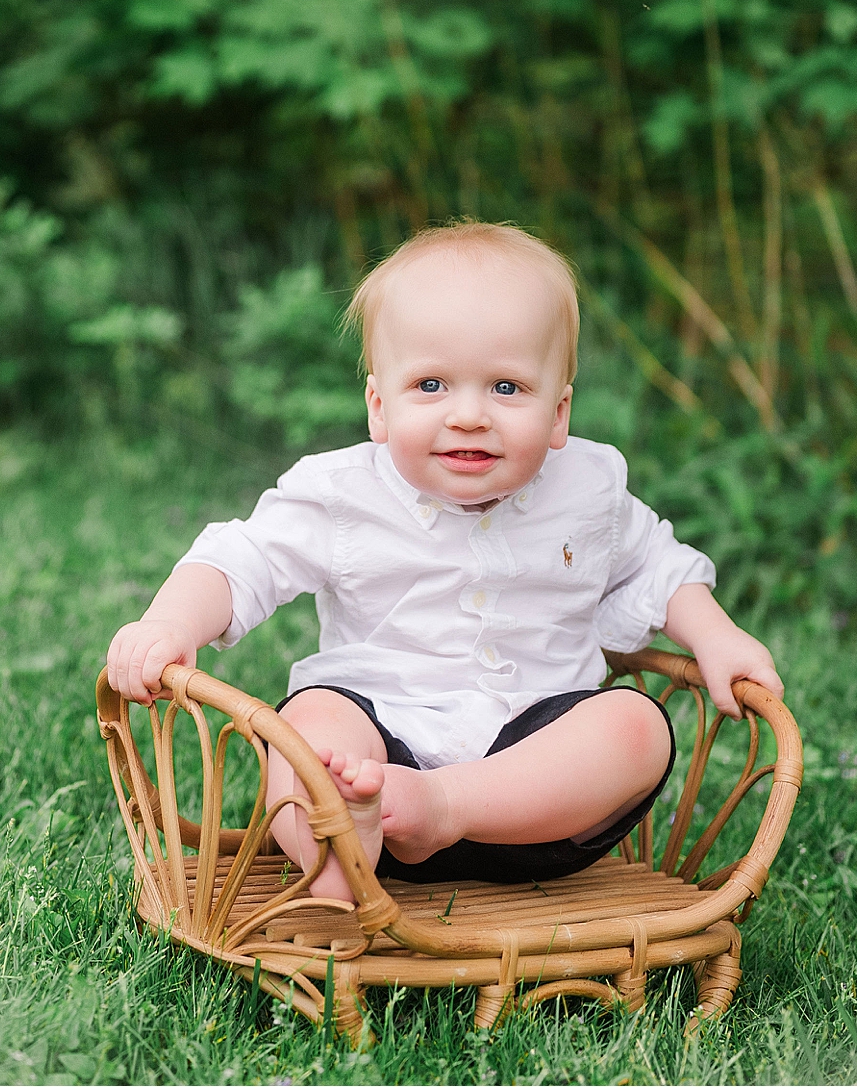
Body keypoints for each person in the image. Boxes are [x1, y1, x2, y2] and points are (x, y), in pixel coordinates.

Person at [104, 222, 784, 903]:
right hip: (375, 740)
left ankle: (444, 805)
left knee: (635, 727)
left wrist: (717, 637)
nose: (468, 415)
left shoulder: (589, 489)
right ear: (379, 407)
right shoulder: (343, 493)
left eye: (507, 388)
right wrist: (171, 623)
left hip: (532, 799)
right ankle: (341, 861)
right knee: (307, 730)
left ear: (559, 412)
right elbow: (239, 558)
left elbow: (658, 569)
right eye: (431, 384)